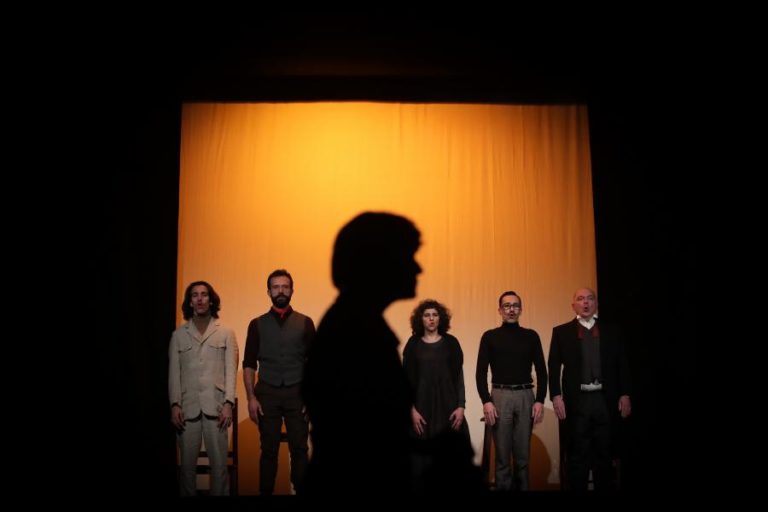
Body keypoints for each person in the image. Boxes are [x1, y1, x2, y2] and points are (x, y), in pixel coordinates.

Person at [301, 212, 421, 497]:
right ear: (378, 261)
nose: (418, 268)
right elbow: (366, 442)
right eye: (408, 255)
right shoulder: (354, 331)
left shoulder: (355, 322)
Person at [548, 287, 631, 491]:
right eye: (580, 299)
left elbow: (622, 363)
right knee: (578, 454)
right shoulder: (561, 332)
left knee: (604, 452)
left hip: (605, 399)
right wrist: (556, 396)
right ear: (573, 304)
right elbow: (553, 365)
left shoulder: (612, 330)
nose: (585, 303)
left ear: (596, 304)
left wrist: (625, 393)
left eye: (590, 299)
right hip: (578, 401)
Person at [242, 269, 315, 496]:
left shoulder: (305, 322)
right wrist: (251, 398)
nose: (280, 291)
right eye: (276, 287)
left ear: (292, 290)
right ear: (268, 291)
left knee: (300, 449)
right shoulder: (256, 324)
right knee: (269, 451)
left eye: (285, 286)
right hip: (267, 393)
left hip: (298, 392)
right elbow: (248, 364)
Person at [404, 299, 483, 494]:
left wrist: (461, 406)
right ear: (420, 319)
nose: (431, 319)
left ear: (441, 318)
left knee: (451, 462)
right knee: (421, 463)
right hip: (422, 409)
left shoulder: (451, 343)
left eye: (435, 315)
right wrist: (411, 410)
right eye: (427, 315)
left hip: (449, 408)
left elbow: (458, 377)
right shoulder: (413, 344)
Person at [169, 281, 238, 496]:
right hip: (187, 409)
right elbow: (174, 373)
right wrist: (174, 404)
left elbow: (230, 370)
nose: (200, 299)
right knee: (186, 470)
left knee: (219, 468)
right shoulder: (178, 335)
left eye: (204, 294)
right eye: (195, 295)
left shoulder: (225, 332)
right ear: (190, 301)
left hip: (216, 409)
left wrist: (228, 403)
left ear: (211, 300)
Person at [476, 291, 547, 491]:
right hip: (500, 396)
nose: (511, 309)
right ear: (500, 310)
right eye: (506, 306)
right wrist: (486, 401)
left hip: (526, 396)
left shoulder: (531, 336)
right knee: (502, 457)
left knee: (523, 457)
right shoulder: (489, 337)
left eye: (515, 305)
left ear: (521, 309)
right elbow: (480, 373)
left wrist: (540, 400)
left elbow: (542, 371)